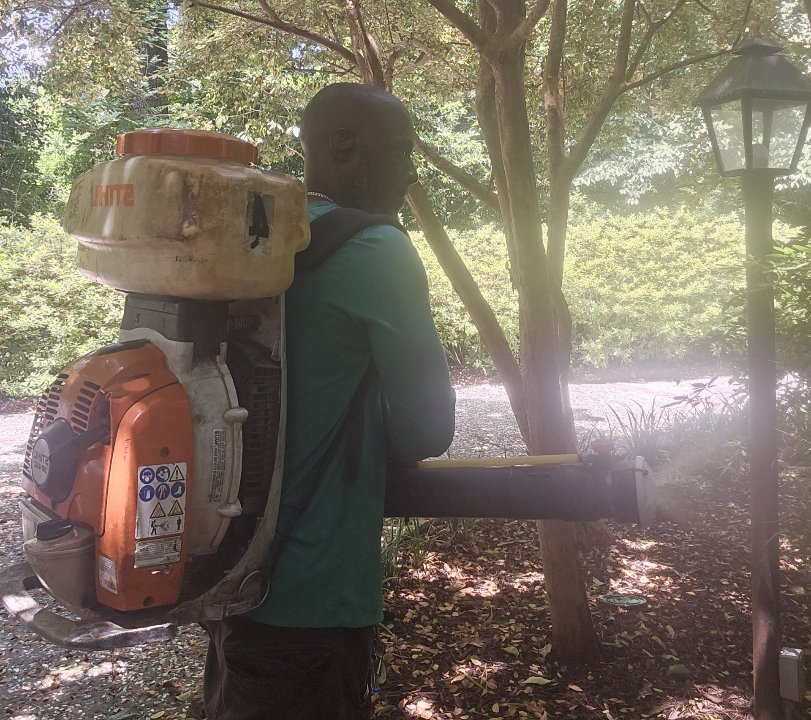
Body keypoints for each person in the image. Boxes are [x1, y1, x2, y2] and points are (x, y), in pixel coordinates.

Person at [201, 83, 456, 720]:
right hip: (314, 599)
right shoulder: (376, 250)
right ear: (346, 147)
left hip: (229, 581)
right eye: (400, 153)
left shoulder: (248, 241)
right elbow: (429, 430)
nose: (409, 173)